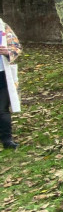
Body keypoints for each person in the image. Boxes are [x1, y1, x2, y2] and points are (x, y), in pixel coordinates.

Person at [0, 19, 21, 149]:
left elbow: (16, 47)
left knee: (2, 109)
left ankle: (7, 140)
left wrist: (7, 52)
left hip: (2, 73)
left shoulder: (2, 26)